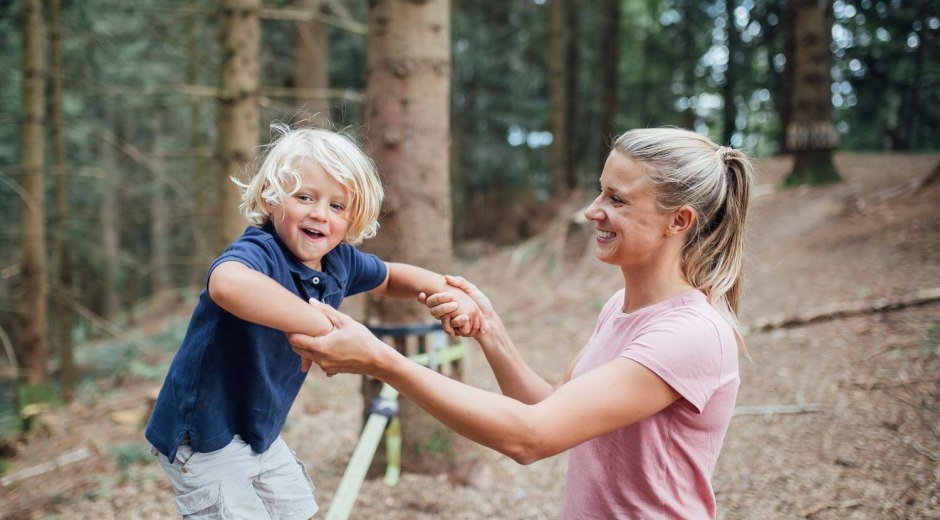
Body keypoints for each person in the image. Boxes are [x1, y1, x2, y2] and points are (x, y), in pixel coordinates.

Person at [289, 127, 754, 518]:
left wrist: (381, 360)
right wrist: (489, 328)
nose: (593, 211)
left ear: (679, 221)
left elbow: (531, 438)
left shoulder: (691, 334)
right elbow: (553, 406)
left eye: (616, 199)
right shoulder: (620, 307)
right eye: (600, 190)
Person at [144, 123, 483, 519]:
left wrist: (448, 292)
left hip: (259, 431)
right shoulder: (262, 249)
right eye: (305, 197)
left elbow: (391, 277)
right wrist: (322, 326)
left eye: (337, 206)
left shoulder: (339, 259)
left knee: (300, 510)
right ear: (271, 198)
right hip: (203, 433)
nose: (320, 214)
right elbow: (226, 283)